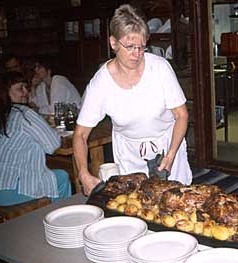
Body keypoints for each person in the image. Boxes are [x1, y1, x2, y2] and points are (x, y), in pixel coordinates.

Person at [74, 4, 192, 195]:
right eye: (129, 47)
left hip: (168, 147)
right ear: (113, 43)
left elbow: (181, 115)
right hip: (130, 153)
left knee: (175, 204)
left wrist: (171, 155)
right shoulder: (101, 83)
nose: (137, 54)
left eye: (142, 47)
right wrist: (83, 174)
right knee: (135, 206)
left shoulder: (160, 69)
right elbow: (80, 135)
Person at [0, 72, 72, 205]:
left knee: (46, 173)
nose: (26, 92)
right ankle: (63, 222)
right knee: (62, 177)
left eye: (26, 87)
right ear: (6, 93)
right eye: (20, 88)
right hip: (7, 190)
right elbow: (53, 145)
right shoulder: (24, 114)